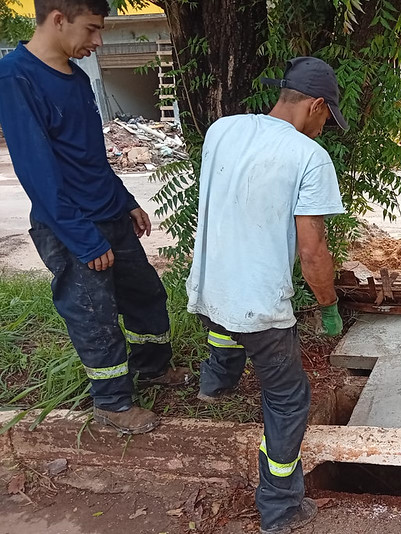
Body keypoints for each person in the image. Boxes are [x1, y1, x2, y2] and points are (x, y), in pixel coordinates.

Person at [0, 0, 189, 435]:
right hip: (72, 226)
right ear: (58, 19)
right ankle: (113, 404)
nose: (98, 41)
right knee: (94, 316)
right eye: (91, 29)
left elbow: (91, 157)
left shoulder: (78, 76)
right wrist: (84, 239)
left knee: (146, 295)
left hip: (110, 214)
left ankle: (152, 369)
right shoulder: (16, 77)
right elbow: (38, 173)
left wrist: (125, 200)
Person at [186, 56, 347, 534]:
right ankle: (280, 506)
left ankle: (213, 386)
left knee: (226, 327)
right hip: (259, 307)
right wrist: (329, 305)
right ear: (316, 105)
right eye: (327, 117)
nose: (324, 128)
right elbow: (312, 251)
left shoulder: (223, 130)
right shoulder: (309, 156)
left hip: (207, 289)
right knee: (289, 398)